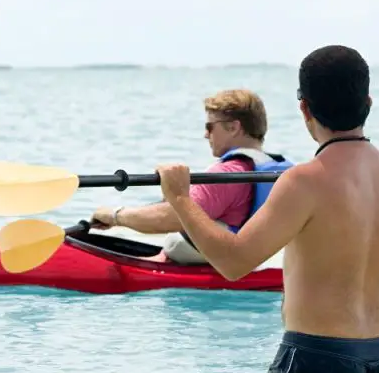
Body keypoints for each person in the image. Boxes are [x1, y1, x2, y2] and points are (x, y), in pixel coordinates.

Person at [156, 45, 379, 373]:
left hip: (317, 358)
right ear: (368, 103)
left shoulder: (304, 181)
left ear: (304, 108)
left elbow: (233, 262)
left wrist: (180, 198)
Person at [91, 88, 294, 264]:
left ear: (233, 127)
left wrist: (115, 216)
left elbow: (172, 217)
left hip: (220, 267)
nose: (206, 135)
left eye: (210, 127)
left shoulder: (227, 174)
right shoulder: (276, 169)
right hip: (252, 261)